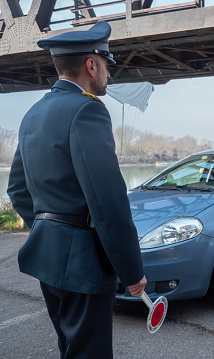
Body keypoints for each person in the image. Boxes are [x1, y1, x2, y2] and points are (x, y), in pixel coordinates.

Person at [7, 21, 146, 358]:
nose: (108, 76)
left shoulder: (32, 114)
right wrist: (132, 271)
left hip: (47, 257)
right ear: (90, 65)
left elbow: (17, 189)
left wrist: (48, 225)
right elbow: (108, 200)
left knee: (69, 347)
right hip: (83, 264)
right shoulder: (88, 110)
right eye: (106, 66)